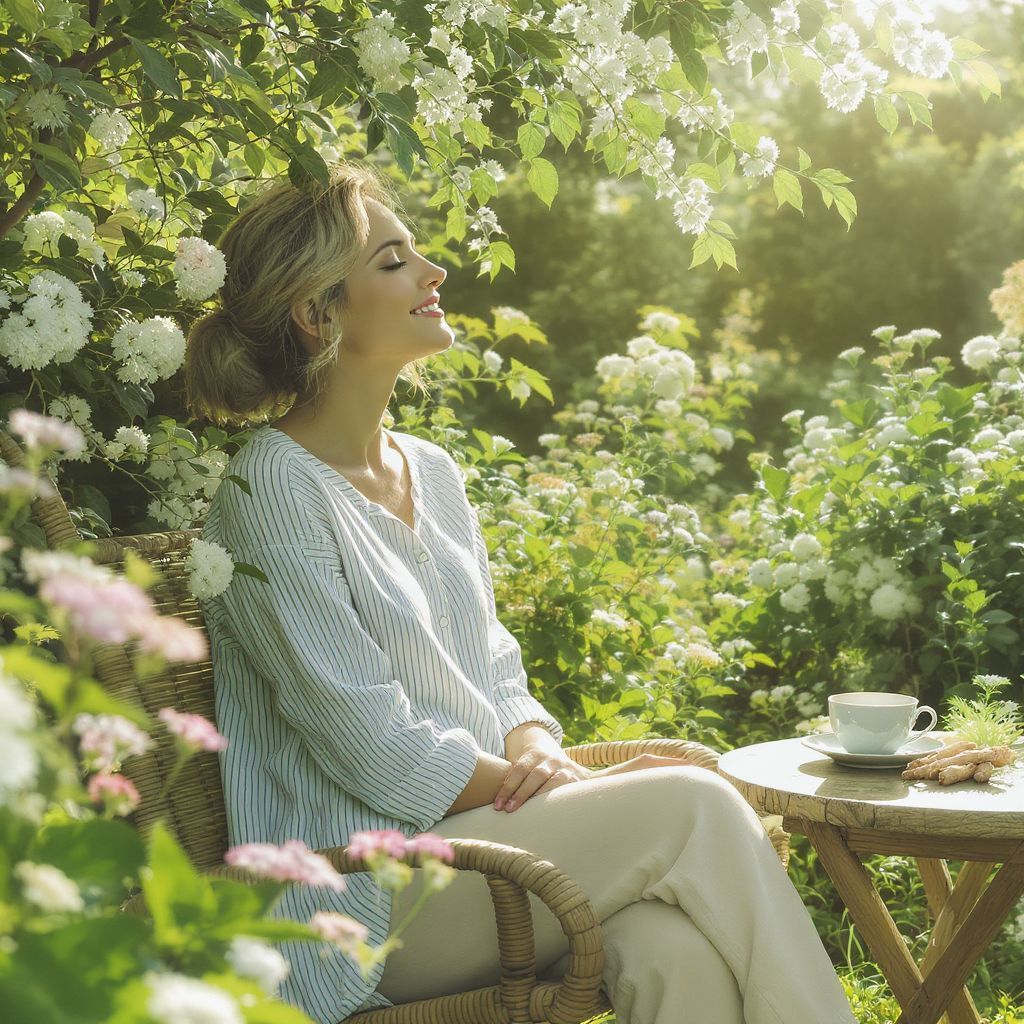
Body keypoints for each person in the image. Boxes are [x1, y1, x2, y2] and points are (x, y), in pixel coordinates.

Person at [185, 162, 857, 1024]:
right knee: (693, 803)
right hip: (352, 903)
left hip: (478, 855)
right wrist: (570, 786)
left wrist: (535, 737)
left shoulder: (432, 469)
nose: (435, 275)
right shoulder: (270, 487)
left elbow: (494, 669)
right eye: (394, 262)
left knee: (671, 950)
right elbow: (376, 747)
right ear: (317, 314)